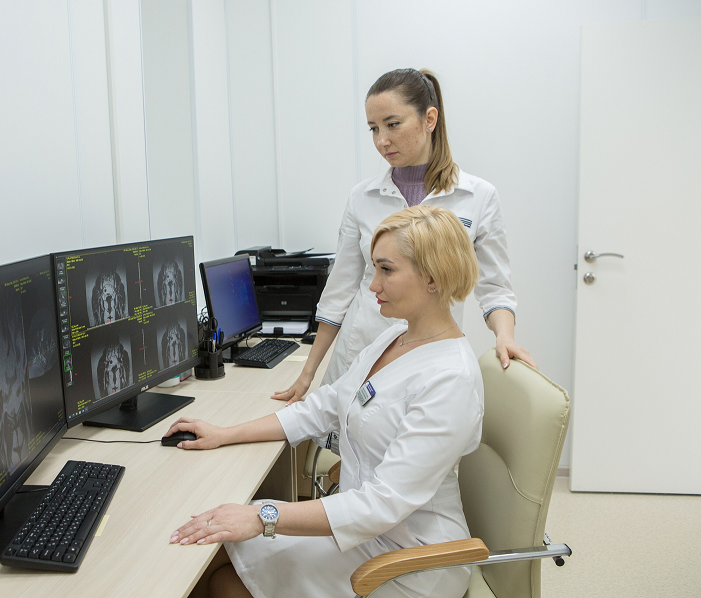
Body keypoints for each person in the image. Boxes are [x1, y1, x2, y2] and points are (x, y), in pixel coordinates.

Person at [168, 206, 484, 598]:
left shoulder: (451, 378)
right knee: (216, 552)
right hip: (362, 531)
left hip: (412, 558)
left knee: (222, 579)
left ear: (433, 277)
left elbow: (383, 503)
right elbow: (325, 405)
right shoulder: (395, 338)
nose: (373, 285)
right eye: (374, 269)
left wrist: (264, 516)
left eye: (386, 270)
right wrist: (224, 434)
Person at [273, 68, 534, 407]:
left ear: (429, 119)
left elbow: (495, 287)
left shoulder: (478, 197)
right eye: (373, 128)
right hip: (361, 353)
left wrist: (504, 336)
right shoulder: (362, 197)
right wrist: (307, 373)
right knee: (342, 438)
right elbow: (340, 290)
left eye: (392, 124)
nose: (381, 140)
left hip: (431, 357)